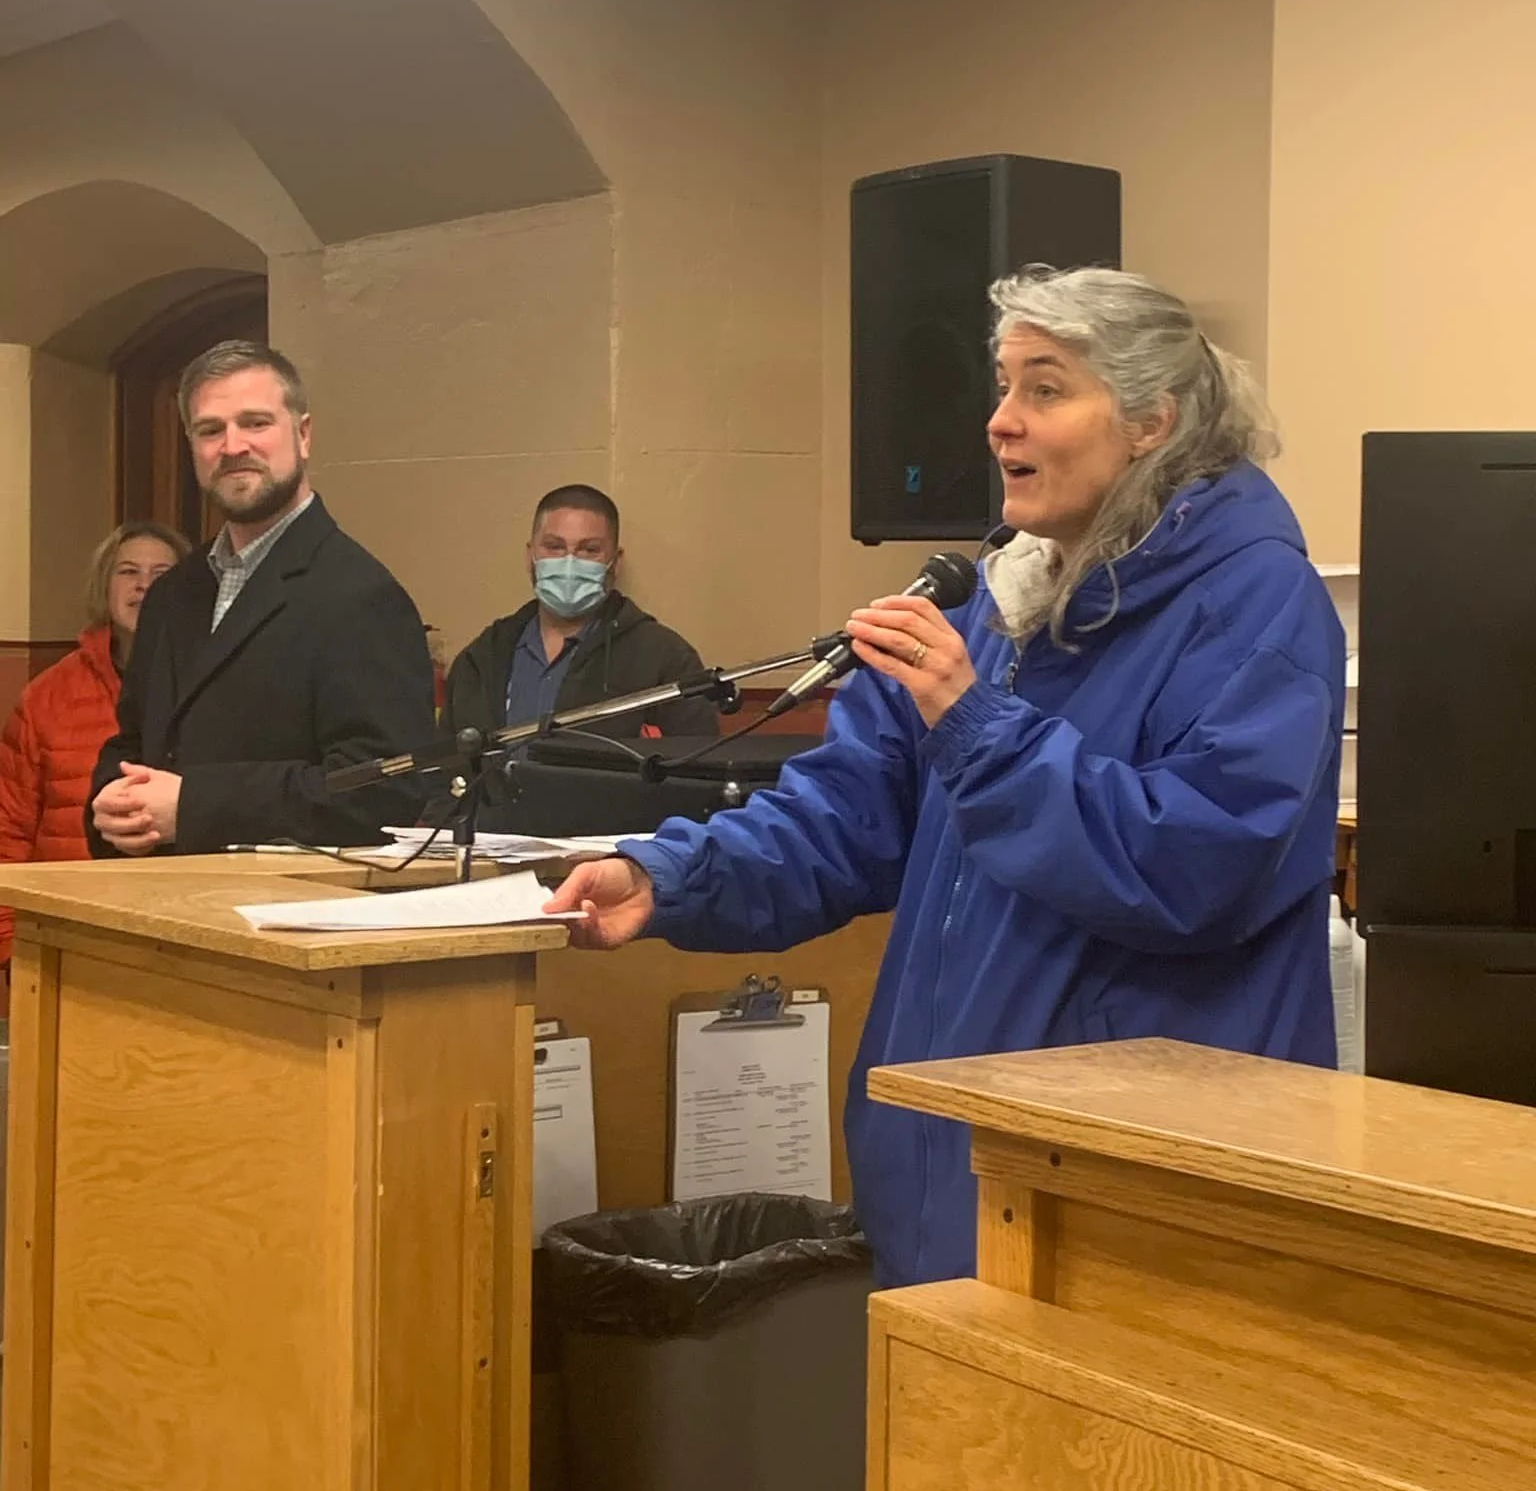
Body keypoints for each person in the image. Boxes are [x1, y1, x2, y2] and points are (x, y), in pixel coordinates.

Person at [547, 267, 1346, 1287]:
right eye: (1003, 386)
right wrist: (672, 876)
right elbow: (846, 817)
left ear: (1154, 419)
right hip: (943, 1166)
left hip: (1125, 1202)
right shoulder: (990, 602)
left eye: (1045, 389)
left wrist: (978, 726)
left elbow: (1193, 865)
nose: (1001, 423)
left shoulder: (1255, 604)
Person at [89, 340, 437, 857]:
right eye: (211, 430)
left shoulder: (361, 595)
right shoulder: (172, 593)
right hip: (157, 905)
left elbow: (384, 791)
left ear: (303, 434)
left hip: (277, 915)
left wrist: (194, 807)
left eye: (255, 423)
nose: (232, 446)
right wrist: (109, 802)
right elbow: (135, 741)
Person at [0, 522, 189, 958]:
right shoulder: (46, 696)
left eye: (161, 575)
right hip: (62, 938)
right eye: (128, 572)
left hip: (174, 939)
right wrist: (13, 946)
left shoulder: (216, 691)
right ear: (104, 585)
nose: (144, 586)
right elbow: (9, 831)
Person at [443, 484, 718, 743]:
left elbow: (696, 772)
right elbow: (441, 766)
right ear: (531, 556)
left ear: (615, 562)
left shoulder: (664, 659)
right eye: (554, 546)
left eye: (589, 550)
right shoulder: (483, 657)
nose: (569, 562)